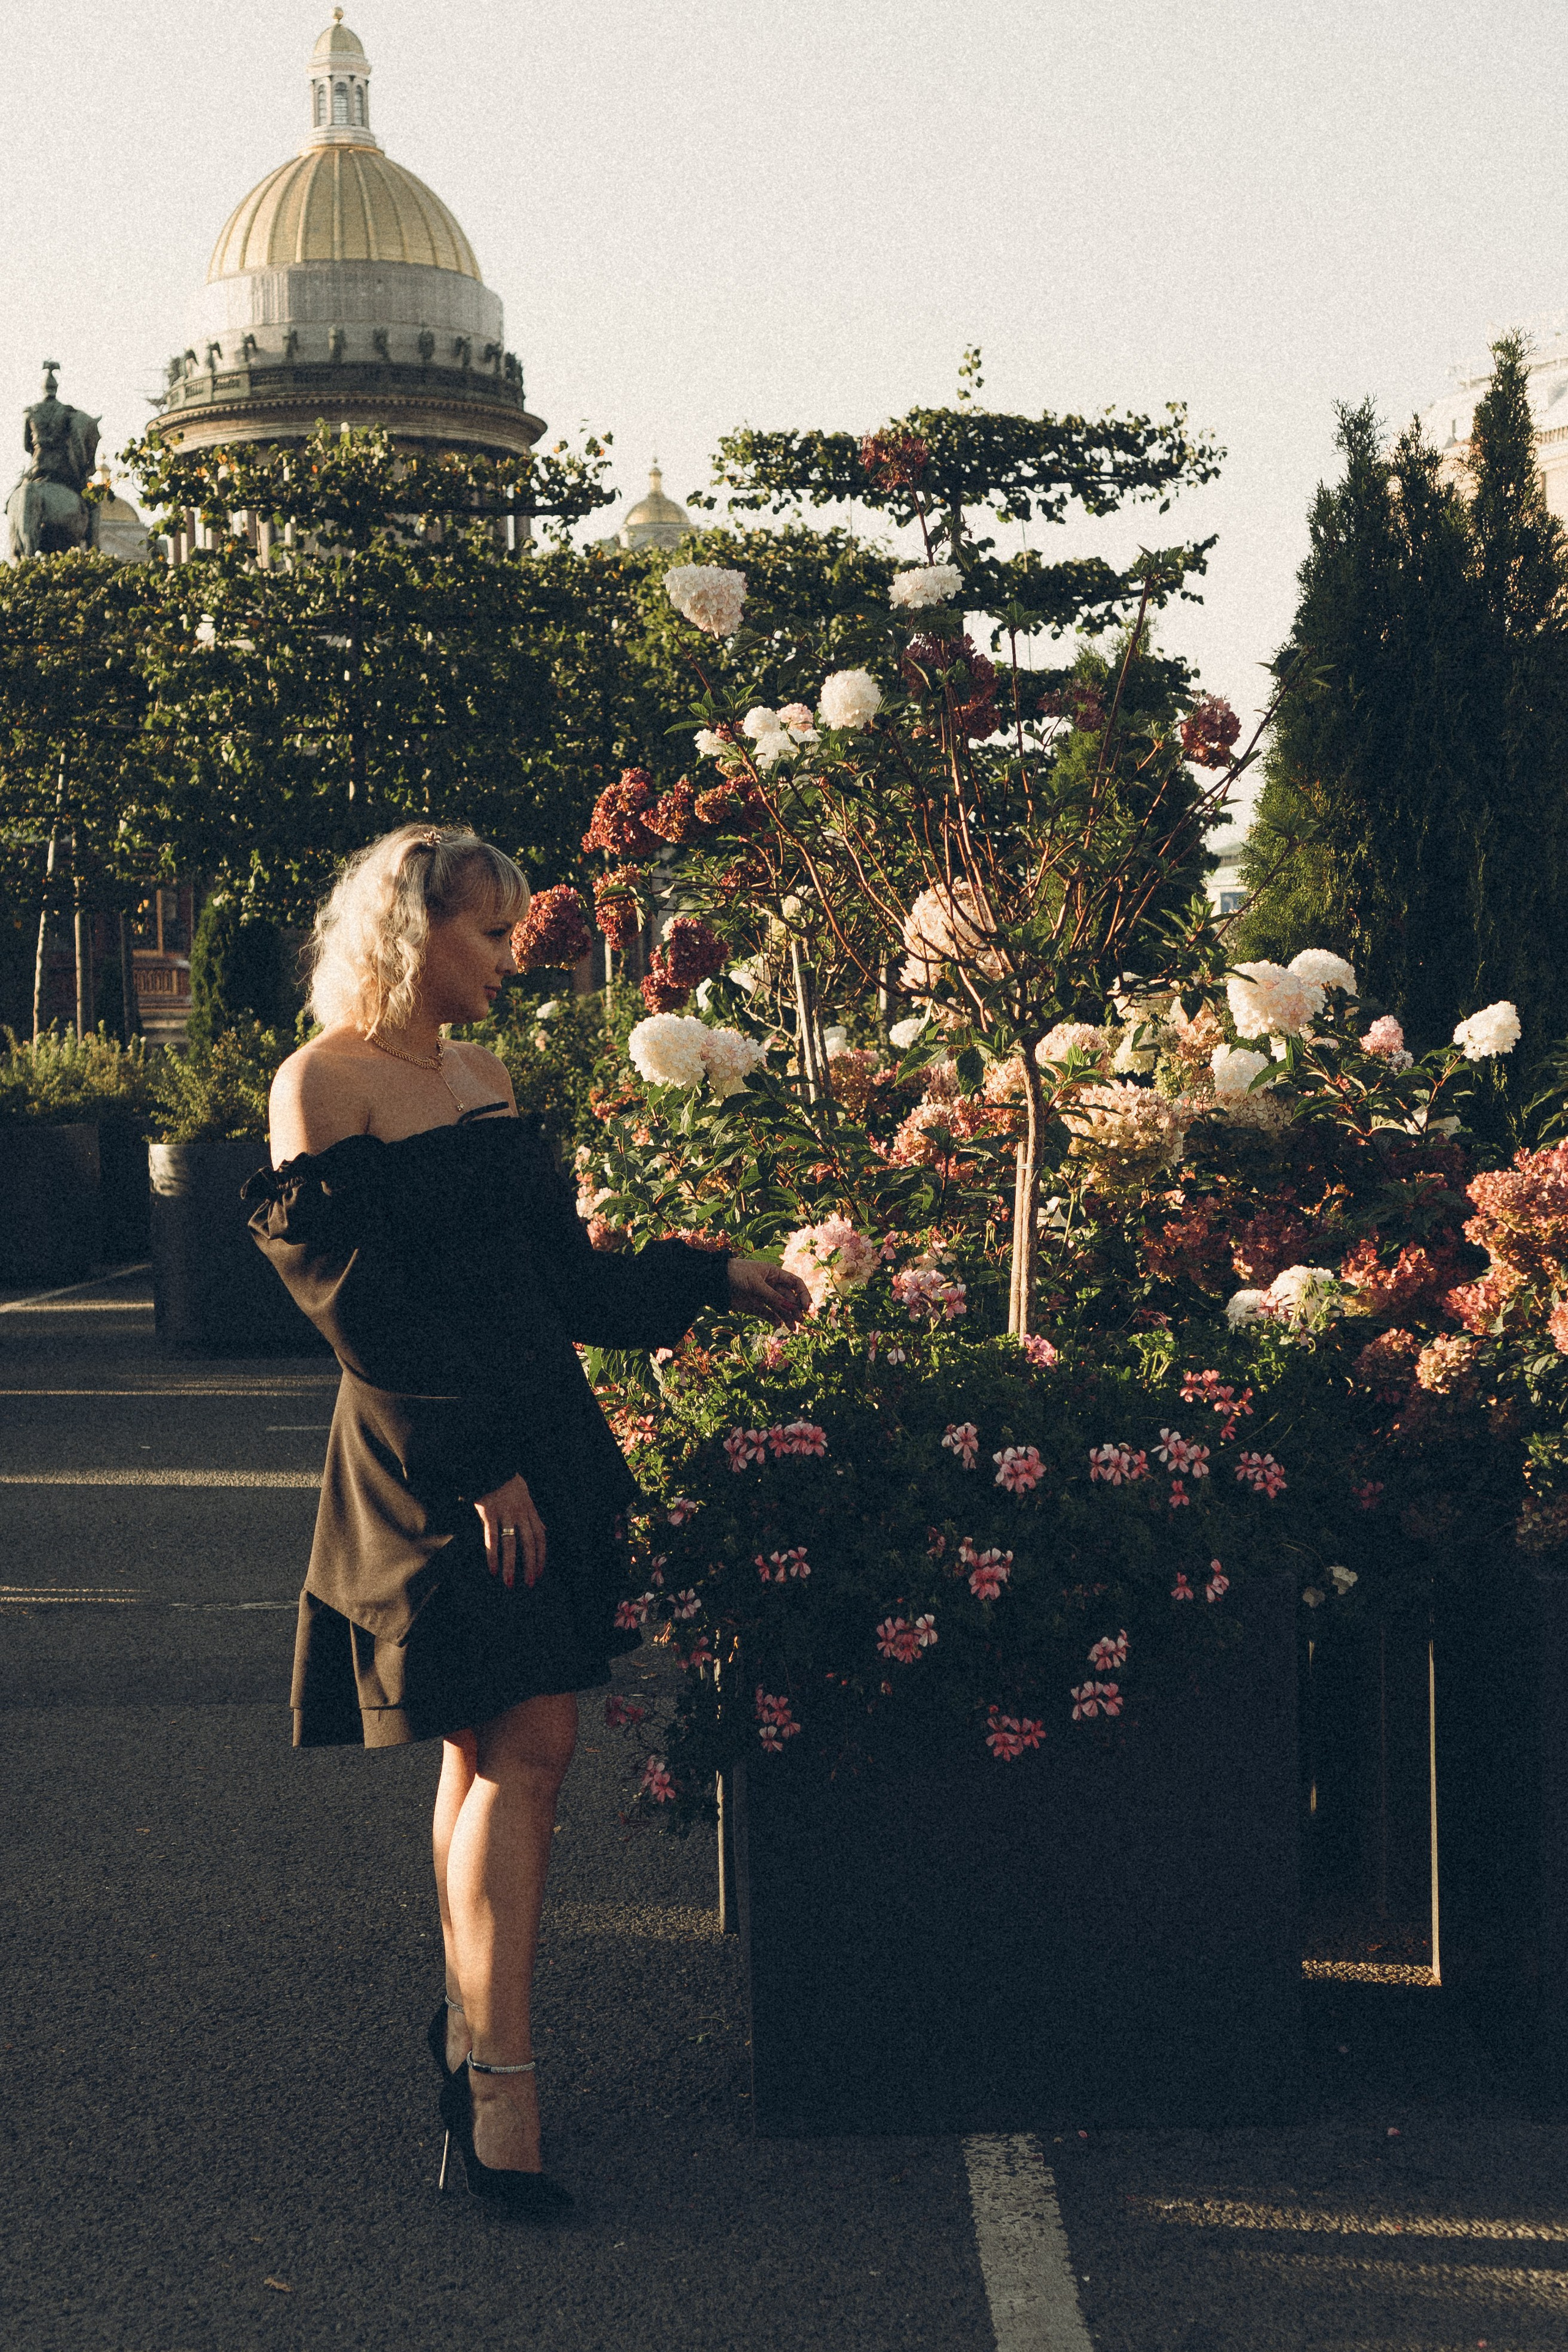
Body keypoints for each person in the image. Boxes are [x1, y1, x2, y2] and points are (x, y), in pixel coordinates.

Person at [246, 823, 807, 2215]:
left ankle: (471, 2040)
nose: (510, 958)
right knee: (533, 1739)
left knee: (492, 1737)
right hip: (433, 1454)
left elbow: (555, 1283)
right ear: (410, 934)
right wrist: (474, 1464)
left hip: (531, 1443)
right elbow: (354, 1308)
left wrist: (708, 1271)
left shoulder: (483, 1079)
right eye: (487, 935)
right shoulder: (322, 1082)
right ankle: (500, 2079)